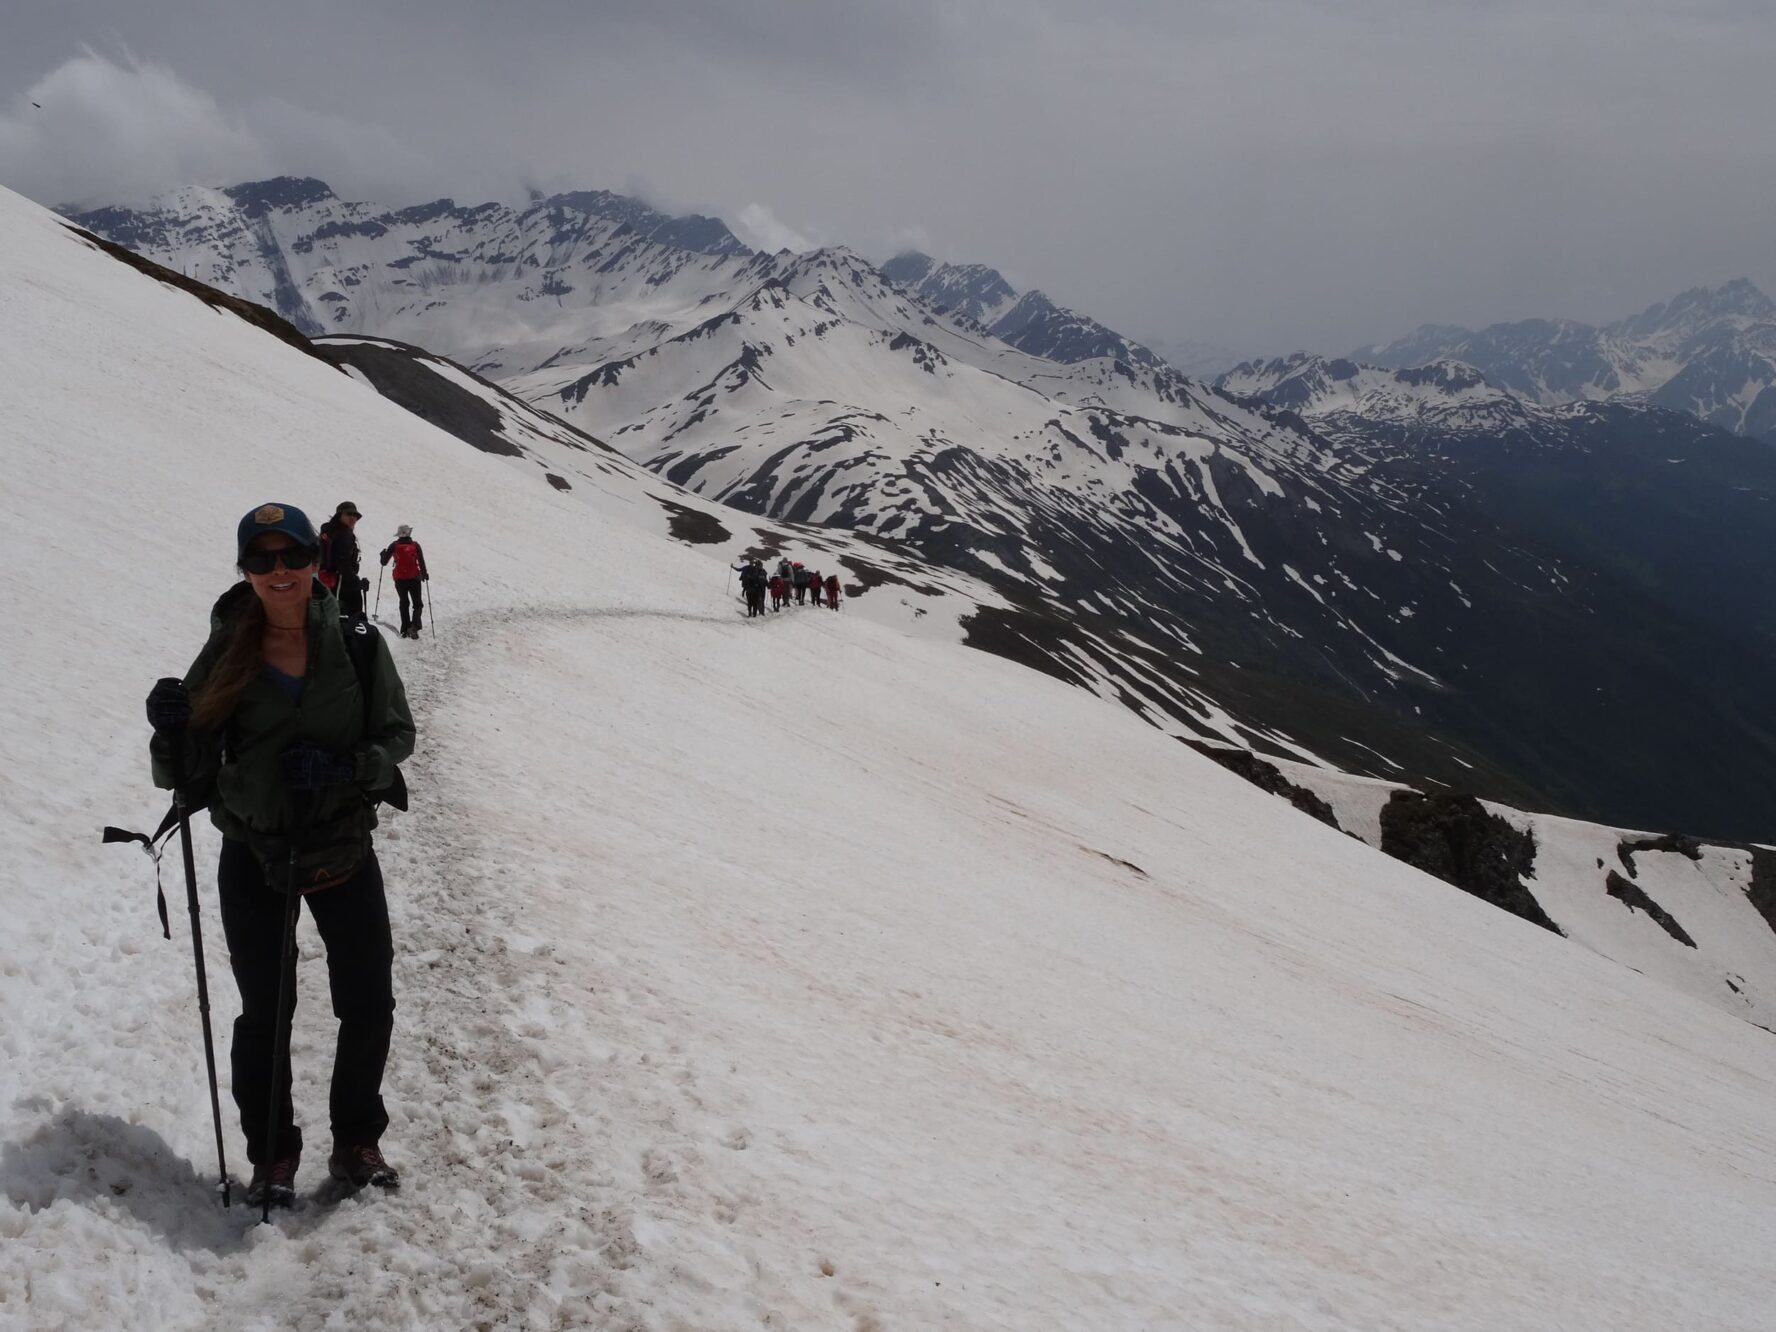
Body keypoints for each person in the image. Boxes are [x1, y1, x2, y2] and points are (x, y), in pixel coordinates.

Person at [145, 502, 415, 1208]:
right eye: (261, 560)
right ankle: (272, 1156)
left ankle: (357, 1140)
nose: (279, 571)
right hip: (255, 848)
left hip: (340, 845)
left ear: (313, 562)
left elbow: (397, 734)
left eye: (290, 555)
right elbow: (185, 768)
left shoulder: (357, 641)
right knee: (265, 1010)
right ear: (245, 570)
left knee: (368, 1000)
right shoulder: (228, 649)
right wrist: (170, 733)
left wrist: (350, 767)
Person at [378, 524, 429, 639]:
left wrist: (382, 555)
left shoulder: (394, 545)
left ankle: (405, 628)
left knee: (404, 602)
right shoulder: (415, 545)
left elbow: (384, 562)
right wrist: (424, 574)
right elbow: (421, 561)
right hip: (414, 578)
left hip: (400, 579)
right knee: (417, 604)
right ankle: (415, 626)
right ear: (409, 533)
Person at [318, 501, 364, 622]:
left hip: (325, 578)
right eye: (349, 514)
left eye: (355, 516)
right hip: (342, 581)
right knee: (353, 613)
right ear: (340, 515)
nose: (353, 518)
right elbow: (343, 562)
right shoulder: (345, 534)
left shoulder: (328, 530)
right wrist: (355, 581)